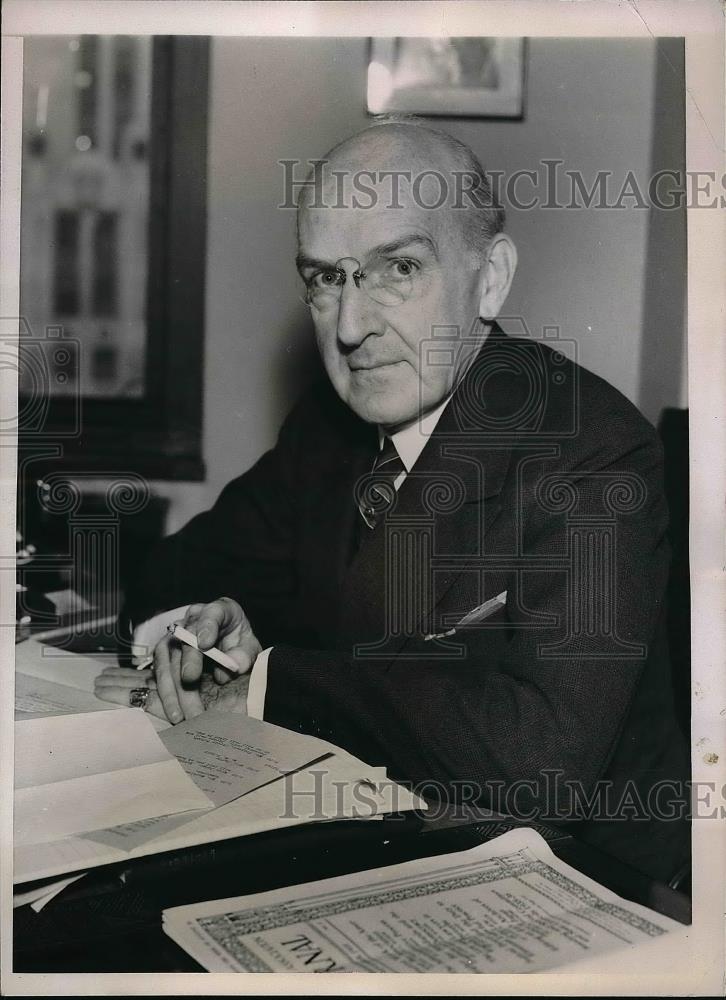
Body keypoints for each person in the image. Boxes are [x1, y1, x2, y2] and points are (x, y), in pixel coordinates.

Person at [96, 119, 689, 882]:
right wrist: (216, 626)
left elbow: (543, 759)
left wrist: (274, 681)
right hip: (385, 841)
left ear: (491, 278)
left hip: (593, 881)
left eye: (398, 268)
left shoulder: (595, 452)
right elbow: (173, 576)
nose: (350, 328)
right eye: (325, 278)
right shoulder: (329, 425)